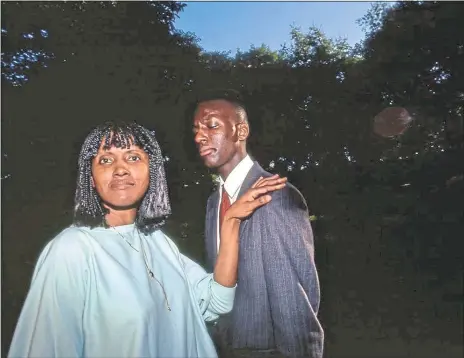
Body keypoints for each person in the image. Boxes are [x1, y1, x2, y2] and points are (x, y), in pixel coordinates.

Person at [8, 121, 287, 358]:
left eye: (133, 157)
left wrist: (231, 222)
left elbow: (216, 301)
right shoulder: (72, 250)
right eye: (105, 160)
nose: (120, 169)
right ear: (91, 178)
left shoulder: (158, 242)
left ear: (151, 173)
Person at [192, 90, 324, 358]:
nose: (199, 136)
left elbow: (294, 303)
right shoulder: (212, 202)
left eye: (212, 125)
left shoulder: (273, 195)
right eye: (196, 129)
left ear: (241, 131)